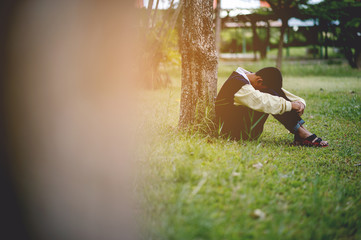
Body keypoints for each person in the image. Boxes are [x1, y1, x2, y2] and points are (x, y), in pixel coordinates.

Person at [215, 66, 328, 147]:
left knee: (271, 94)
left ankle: (301, 132)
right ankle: (301, 133)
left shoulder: (250, 78)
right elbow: (264, 101)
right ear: (259, 80)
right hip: (233, 132)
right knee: (270, 100)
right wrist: (290, 105)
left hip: (242, 126)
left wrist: (299, 102)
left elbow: (279, 92)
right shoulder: (238, 85)